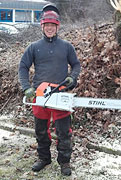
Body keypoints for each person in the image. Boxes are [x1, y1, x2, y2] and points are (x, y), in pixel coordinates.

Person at [18, 3, 81, 176]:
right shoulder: (34, 47)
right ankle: (44, 158)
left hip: (60, 94)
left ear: (57, 26)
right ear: (42, 26)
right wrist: (26, 87)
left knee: (63, 131)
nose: (50, 29)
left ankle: (64, 161)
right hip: (40, 94)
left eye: (53, 26)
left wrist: (72, 77)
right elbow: (23, 67)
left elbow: (76, 65)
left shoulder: (66, 46)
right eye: (47, 25)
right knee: (41, 130)